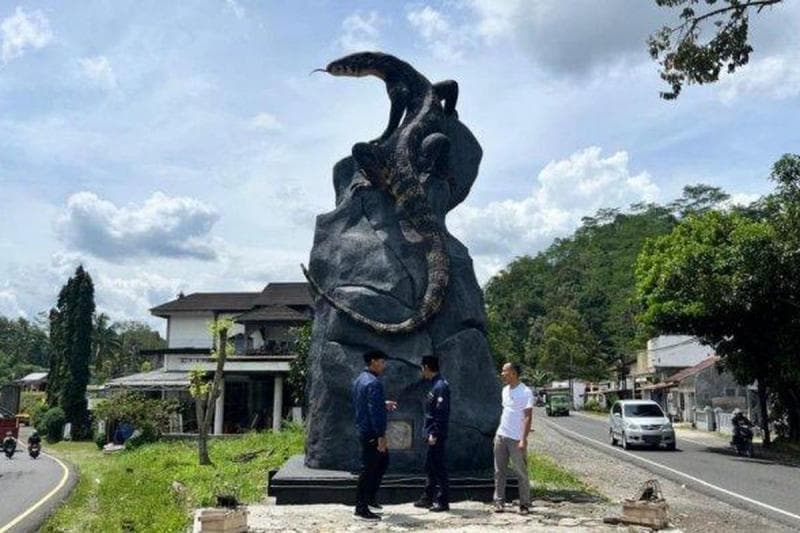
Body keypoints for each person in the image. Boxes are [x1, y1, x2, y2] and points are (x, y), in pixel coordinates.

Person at [352, 350, 398, 521]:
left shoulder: (360, 380)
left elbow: (366, 404)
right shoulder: (373, 383)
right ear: (373, 362)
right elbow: (373, 412)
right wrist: (380, 435)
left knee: (382, 462)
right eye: (382, 362)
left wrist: (382, 404)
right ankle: (361, 508)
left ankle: (369, 498)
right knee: (369, 468)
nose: (383, 365)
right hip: (371, 432)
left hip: (364, 429)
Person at [493, 362, 533, 515]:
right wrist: (498, 434)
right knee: (499, 471)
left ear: (514, 373)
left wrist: (523, 439)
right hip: (501, 436)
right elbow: (506, 413)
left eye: (505, 371)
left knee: (521, 472)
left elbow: (528, 417)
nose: (502, 374)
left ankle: (524, 504)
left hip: (516, 438)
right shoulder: (504, 390)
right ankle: (499, 501)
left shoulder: (525, 392)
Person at [414, 355, 451, 512]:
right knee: (430, 466)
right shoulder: (434, 384)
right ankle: (428, 497)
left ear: (427, 367)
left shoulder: (440, 386)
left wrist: (433, 434)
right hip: (431, 432)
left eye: (422, 368)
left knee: (438, 467)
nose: (422, 371)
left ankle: (443, 501)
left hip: (436, 434)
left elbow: (440, 413)